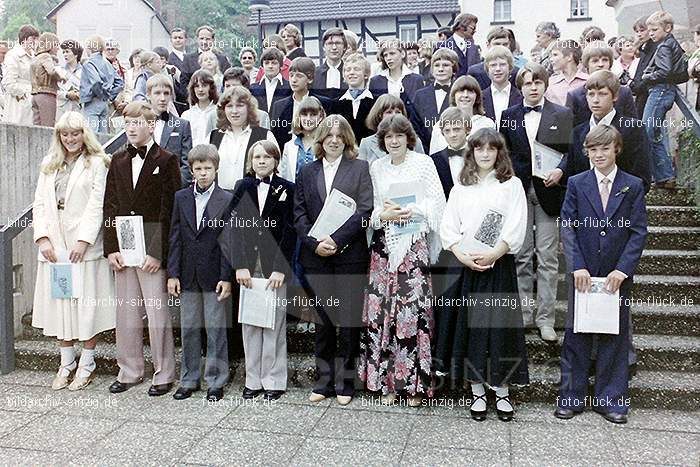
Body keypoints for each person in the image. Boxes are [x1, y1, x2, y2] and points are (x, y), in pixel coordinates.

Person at [555, 124, 647, 425]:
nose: (599, 154)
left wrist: (623, 270)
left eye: (604, 148)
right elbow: (567, 225)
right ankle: (571, 396)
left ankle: (611, 398)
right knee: (576, 334)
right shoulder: (577, 183)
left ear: (616, 149)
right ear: (587, 152)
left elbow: (637, 232)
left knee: (615, 337)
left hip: (615, 275)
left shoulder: (632, 185)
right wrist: (576, 264)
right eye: (593, 149)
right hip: (583, 272)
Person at [437, 128, 529, 422]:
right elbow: (449, 227)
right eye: (480, 149)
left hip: (497, 265)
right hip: (468, 266)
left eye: (491, 149)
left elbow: (516, 225)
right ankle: (477, 391)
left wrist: (495, 253)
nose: (486, 154)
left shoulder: (511, 185)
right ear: (472, 152)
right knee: (472, 330)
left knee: (498, 329)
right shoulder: (460, 188)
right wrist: (462, 256)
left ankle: (501, 391)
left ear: (499, 153)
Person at [358, 114, 445, 406]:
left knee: (411, 315)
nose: (394, 141)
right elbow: (368, 211)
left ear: (409, 138)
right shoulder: (376, 168)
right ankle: (387, 384)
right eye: (388, 137)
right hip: (384, 248)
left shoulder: (424, 163)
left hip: (413, 244)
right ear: (382, 141)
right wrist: (383, 216)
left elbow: (437, 204)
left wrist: (413, 210)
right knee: (383, 313)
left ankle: (415, 386)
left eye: (399, 136)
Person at [32, 111, 115, 391]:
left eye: (75, 133)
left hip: (83, 248)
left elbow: (97, 205)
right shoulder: (49, 163)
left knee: (86, 306)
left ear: (84, 134)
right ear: (58, 136)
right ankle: (66, 362)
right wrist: (43, 239)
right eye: (65, 134)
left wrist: (84, 240)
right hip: (56, 247)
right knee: (62, 305)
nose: (70, 139)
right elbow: (40, 204)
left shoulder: (97, 163)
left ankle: (87, 363)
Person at [294, 114, 373, 405]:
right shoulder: (306, 171)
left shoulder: (360, 168)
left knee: (349, 321)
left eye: (340, 136)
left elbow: (365, 211)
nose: (334, 140)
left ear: (347, 139)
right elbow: (298, 214)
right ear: (321, 139)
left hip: (349, 255)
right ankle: (324, 380)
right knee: (324, 323)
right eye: (329, 136)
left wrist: (337, 240)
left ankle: (346, 383)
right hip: (316, 257)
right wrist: (315, 243)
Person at [103, 101, 180, 396]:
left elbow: (169, 210)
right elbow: (108, 205)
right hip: (124, 247)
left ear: (151, 125)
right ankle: (130, 370)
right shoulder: (118, 160)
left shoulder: (167, 159)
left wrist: (158, 253)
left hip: (151, 251)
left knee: (157, 313)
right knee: (127, 313)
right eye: (127, 123)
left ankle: (164, 372)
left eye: (137, 122)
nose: (132, 128)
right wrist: (111, 248)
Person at [499, 63, 573, 342]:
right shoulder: (509, 115)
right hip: (518, 192)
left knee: (548, 257)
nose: (532, 87)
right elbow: (501, 152)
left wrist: (561, 171)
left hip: (549, 191)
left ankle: (546, 320)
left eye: (537, 82)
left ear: (545, 85)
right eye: (527, 83)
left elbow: (570, 151)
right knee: (520, 255)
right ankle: (523, 316)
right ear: (520, 87)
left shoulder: (561, 113)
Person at [226, 140, 296, 401]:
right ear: (250, 161)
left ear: (276, 161)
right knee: (251, 324)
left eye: (267, 157)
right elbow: (232, 228)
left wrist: (281, 269)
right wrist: (240, 265)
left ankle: (274, 380)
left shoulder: (287, 189)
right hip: (248, 267)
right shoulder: (242, 186)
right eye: (257, 157)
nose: (262, 161)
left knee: (274, 325)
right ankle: (253, 379)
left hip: (274, 268)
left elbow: (290, 232)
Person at [167, 144, 233, 402]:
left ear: (216, 169)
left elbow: (229, 242)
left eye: (208, 168)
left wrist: (226, 277)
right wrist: (173, 273)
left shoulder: (226, 199)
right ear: (191, 171)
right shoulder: (181, 197)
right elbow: (175, 237)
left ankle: (216, 380)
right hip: (187, 273)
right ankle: (189, 378)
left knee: (216, 329)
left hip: (214, 273)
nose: (203, 173)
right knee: (189, 328)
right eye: (198, 169)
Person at [279, 96, 326, 333]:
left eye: (312, 114)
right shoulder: (289, 146)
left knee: (314, 264)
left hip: (319, 210)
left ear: (320, 116)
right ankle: (300, 312)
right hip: (296, 212)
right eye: (304, 114)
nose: (308, 119)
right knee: (296, 262)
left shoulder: (326, 142)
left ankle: (315, 313)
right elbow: (287, 179)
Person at [566, 70, 652, 193]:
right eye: (591, 94)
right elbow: (572, 176)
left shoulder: (633, 129)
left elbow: (641, 178)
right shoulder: (578, 132)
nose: (595, 100)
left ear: (615, 96)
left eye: (602, 94)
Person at [638, 11, 688, 188]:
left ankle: (649, 174)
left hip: (660, 91)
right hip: (665, 91)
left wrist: (647, 76)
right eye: (649, 30)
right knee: (655, 134)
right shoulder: (671, 43)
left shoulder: (664, 46)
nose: (650, 33)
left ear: (667, 28)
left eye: (654, 29)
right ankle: (665, 177)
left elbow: (665, 72)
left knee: (646, 132)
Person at [209, 86, 277, 190]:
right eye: (229, 106)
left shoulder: (265, 136)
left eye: (240, 106)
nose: (234, 111)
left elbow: (276, 172)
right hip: (219, 200)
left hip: (252, 199)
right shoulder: (213, 136)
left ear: (249, 108)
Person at [566, 41, 637, 127]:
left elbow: (633, 127)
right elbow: (569, 131)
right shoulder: (575, 96)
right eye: (595, 61)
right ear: (586, 65)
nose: (600, 64)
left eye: (605, 60)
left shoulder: (624, 93)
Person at [270, 57, 331, 149]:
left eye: (299, 76)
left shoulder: (324, 103)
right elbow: (276, 136)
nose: (294, 80)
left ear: (310, 79)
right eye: (291, 75)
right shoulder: (279, 105)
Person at [429, 75, 496, 154]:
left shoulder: (487, 124)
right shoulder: (439, 125)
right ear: (454, 96)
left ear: (477, 97)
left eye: (470, 91)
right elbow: (434, 156)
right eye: (461, 91)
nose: (465, 95)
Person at [147, 74, 193, 186]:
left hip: (173, 189)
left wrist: (176, 186)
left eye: (166, 93)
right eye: (157, 93)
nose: (162, 98)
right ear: (148, 95)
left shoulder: (182, 125)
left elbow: (186, 162)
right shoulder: (139, 124)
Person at [410, 48, 459, 150]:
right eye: (437, 65)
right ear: (432, 70)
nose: (441, 69)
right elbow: (414, 125)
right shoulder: (420, 95)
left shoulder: (460, 94)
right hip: (426, 151)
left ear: (454, 69)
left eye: (445, 65)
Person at [359, 94, 425, 164]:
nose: (394, 115)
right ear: (379, 115)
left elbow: (422, 165)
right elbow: (361, 172)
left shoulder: (414, 141)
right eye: (389, 112)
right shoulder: (366, 144)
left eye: (398, 112)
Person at [80, 35, 124, 134]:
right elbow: (120, 82)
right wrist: (110, 96)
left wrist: (101, 94)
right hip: (104, 104)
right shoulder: (107, 63)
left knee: (91, 135)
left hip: (92, 101)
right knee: (103, 135)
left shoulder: (88, 64)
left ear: (89, 48)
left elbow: (96, 82)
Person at [332, 53, 376, 144]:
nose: (351, 72)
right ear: (344, 75)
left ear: (366, 75)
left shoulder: (376, 102)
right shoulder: (335, 104)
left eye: (357, 69)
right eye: (348, 70)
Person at [368, 38, 425, 104]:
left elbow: (421, 108)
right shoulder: (375, 81)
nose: (388, 58)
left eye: (392, 53)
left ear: (403, 54)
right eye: (385, 55)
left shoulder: (417, 80)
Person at [2, 24, 39, 125]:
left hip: (33, 102)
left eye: (36, 38)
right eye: (33, 38)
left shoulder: (35, 56)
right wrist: (26, 92)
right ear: (24, 39)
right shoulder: (13, 55)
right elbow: (8, 83)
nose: (35, 42)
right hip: (17, 104)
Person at [481, 45, 523, 127]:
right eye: (493, 65)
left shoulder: (521, 96)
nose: (498, 69)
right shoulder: (479, 98)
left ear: (510, 67)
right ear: (487, 69)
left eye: (502, 64)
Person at [30, 32, 66, 126]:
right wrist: (61, 77)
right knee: (48, 127)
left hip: (35, 95)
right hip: (47, 94)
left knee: (37, 127)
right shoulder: (46, 56)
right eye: (56, 45)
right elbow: (51, 71)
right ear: (49, 45)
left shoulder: (36, 58)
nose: (58, 48)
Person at [629, 16, 658, 118]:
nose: (639, 34)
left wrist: (638, 85)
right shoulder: (644, 48)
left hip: (647, 93)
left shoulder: (655, 47)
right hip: (641, 92)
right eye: (637, 31)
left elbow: (649, 72)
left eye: (642, 30)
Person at [435, 13, 481, 77]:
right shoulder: (441, 46)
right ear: (461, 26)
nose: (474, 31)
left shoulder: (474, 48)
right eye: (472, 28)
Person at [544, 40, 588, 106]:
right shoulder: (549, 83)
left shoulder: (587, 81)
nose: (551, 59)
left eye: (555, 55)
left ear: (569, 57)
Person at [181, 69, 219, 146]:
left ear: (211, 88)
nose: (200, 90)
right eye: (197, 86)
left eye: (204, 86)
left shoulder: (218, 112)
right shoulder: (186, 115)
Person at [250, 47, 290, 114]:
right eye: (267, 63)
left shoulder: (289, 87)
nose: (270, 66)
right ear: (262, 66)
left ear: (280, 65)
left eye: (274, 63)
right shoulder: (253, 88)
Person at [312, 28, 348, 100]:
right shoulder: (315, 74)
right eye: (330, 43)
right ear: (323, 47)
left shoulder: (350, 72)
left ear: (344, 47)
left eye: (338, 43)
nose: (334, 47)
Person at [56, 40, 83, 120]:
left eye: (67, 52)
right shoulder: (58, 71)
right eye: (63, 52)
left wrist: (78, 94)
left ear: (76, 54)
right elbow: (55, 91)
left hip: (79, 109)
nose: (65, 55)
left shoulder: (84, 72)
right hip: (62, 110)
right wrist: (66, 94)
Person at [168, 28, 189, 115]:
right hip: (178, 101)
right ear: (171, 40)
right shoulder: (168, 60)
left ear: (185, 40)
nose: (177, 40)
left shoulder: (192, 58)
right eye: (175, 38)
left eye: (180, 38)